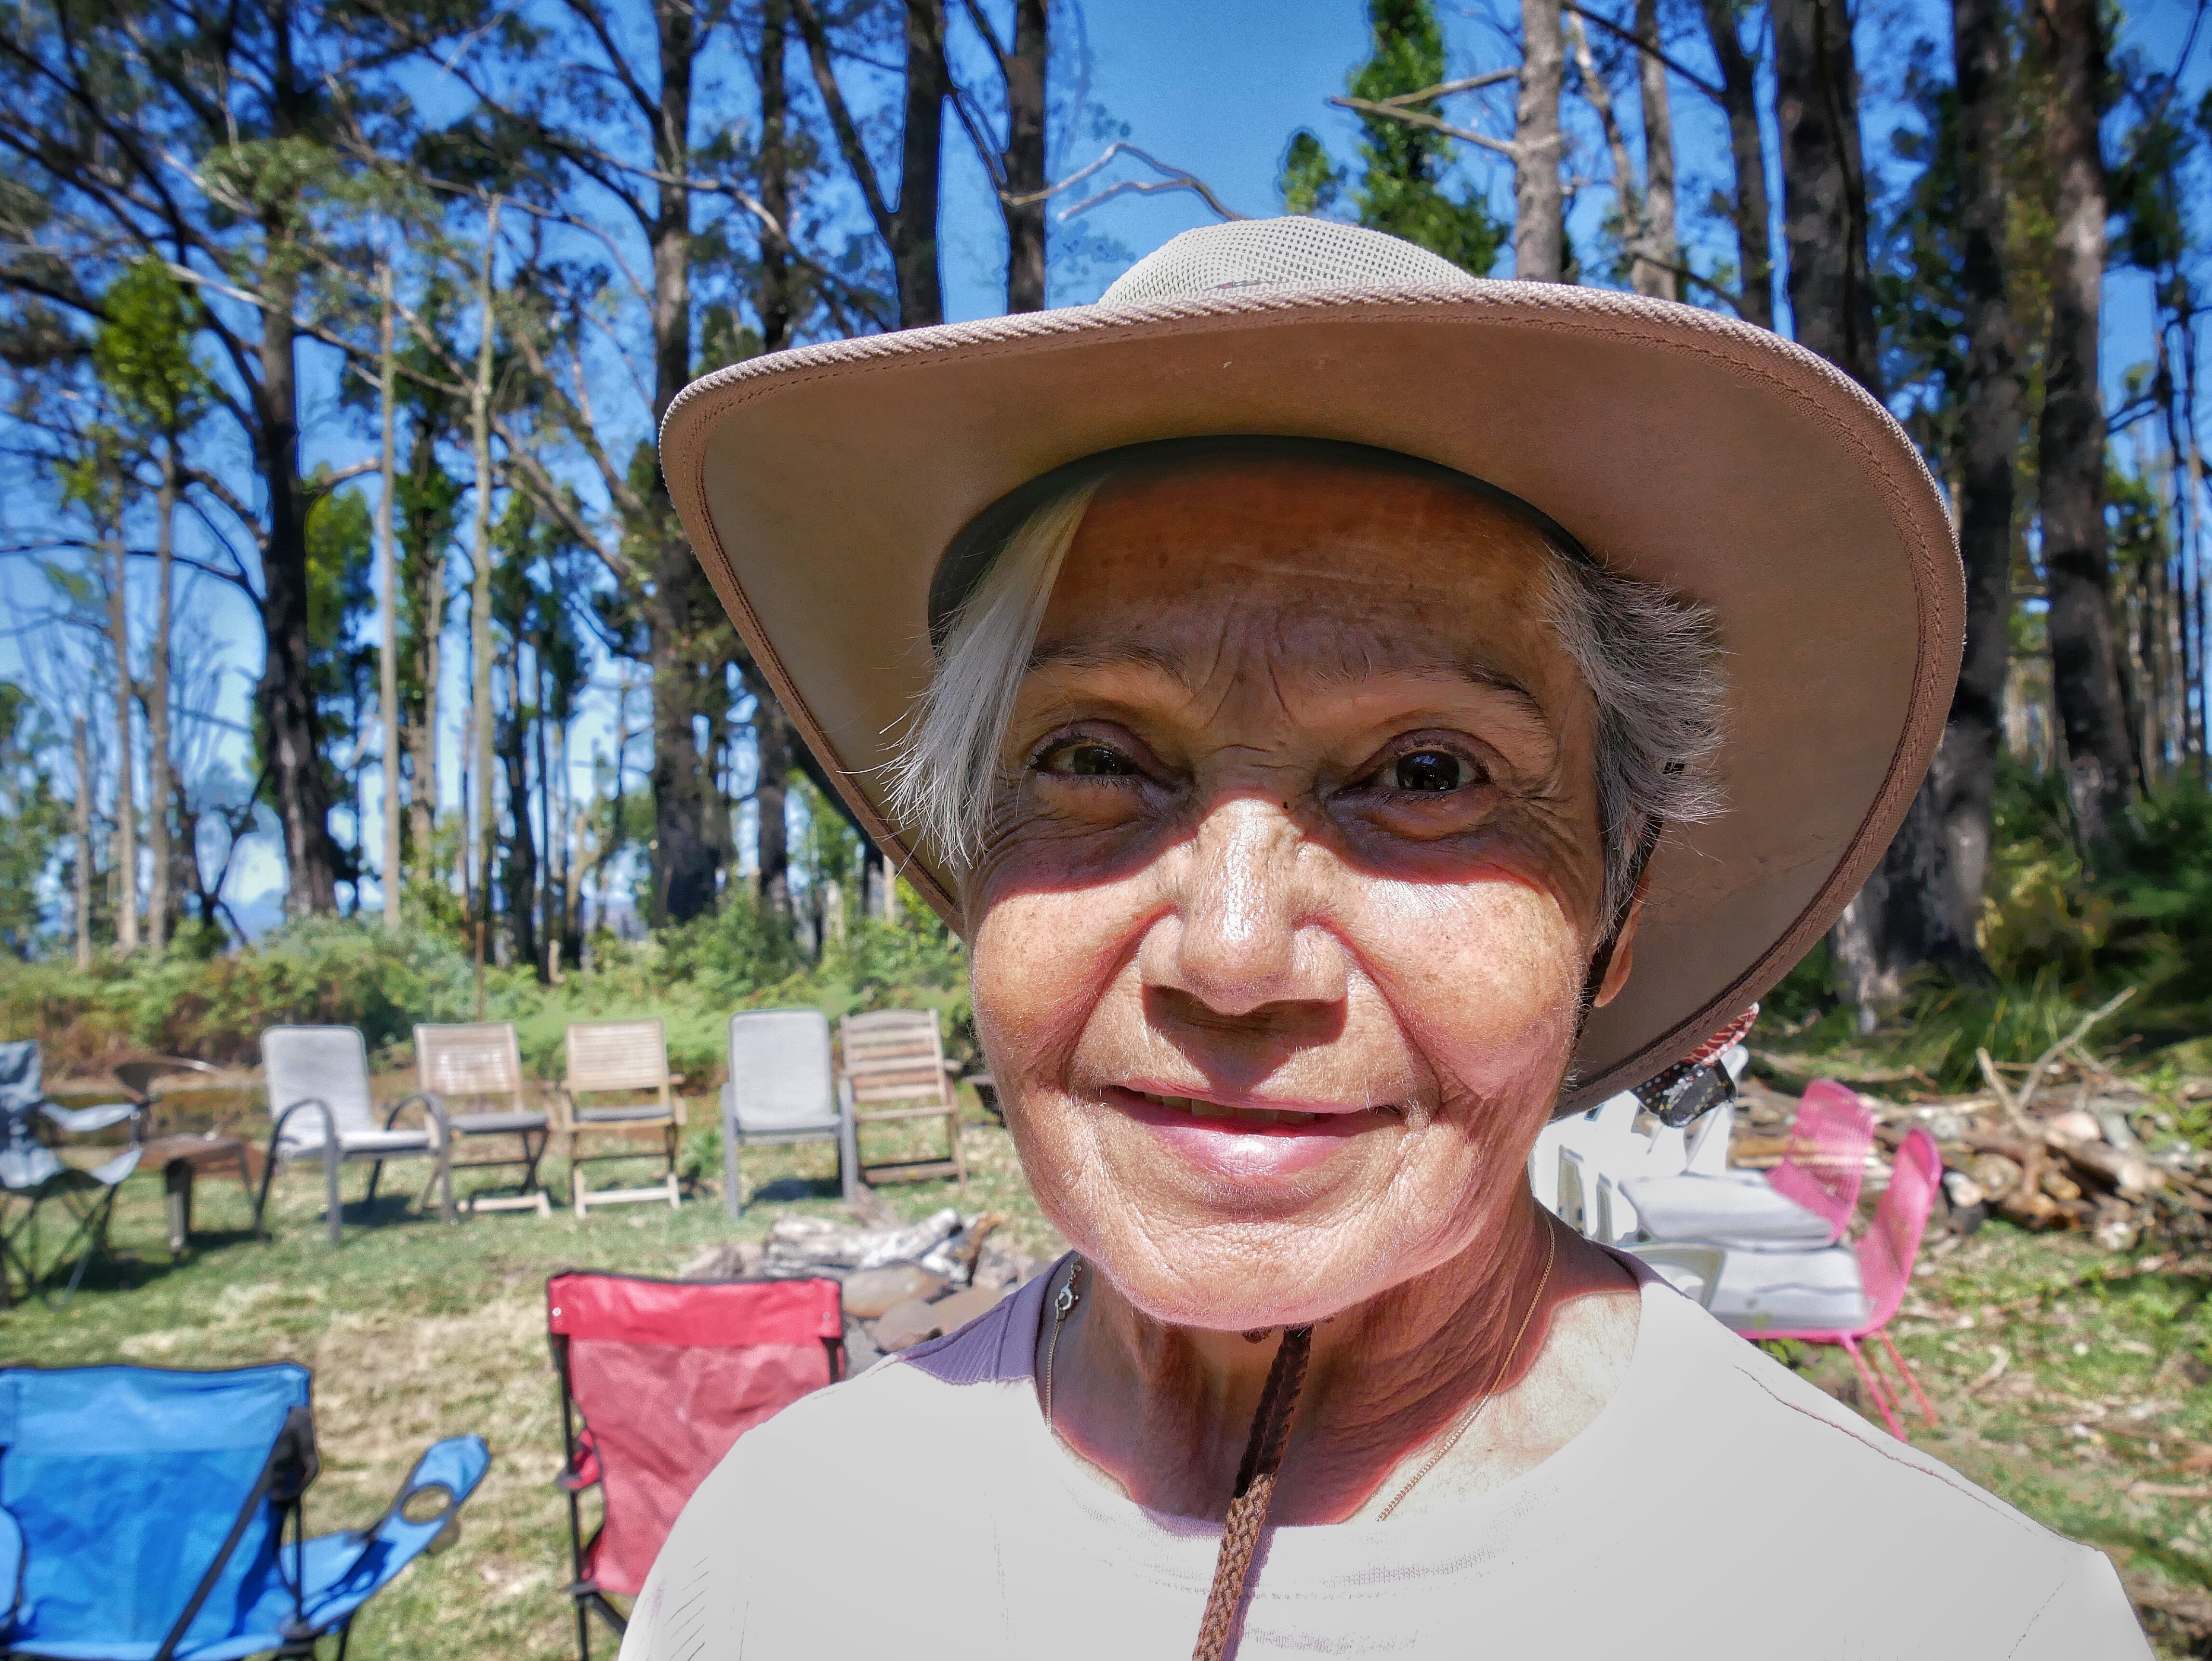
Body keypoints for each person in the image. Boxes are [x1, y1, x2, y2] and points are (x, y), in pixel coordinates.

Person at [627, 218, 2148, 1659]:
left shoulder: (1937, 1617)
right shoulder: (775, 1562)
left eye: (1429, 776)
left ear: (1612, 918)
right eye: (1094, 761)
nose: (1229, 961)